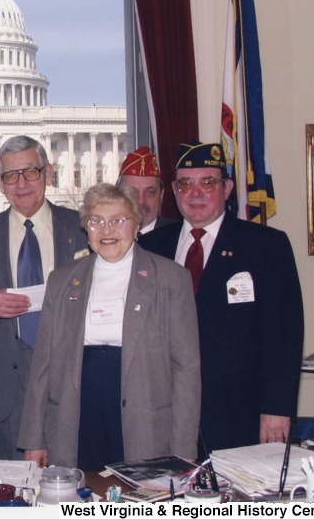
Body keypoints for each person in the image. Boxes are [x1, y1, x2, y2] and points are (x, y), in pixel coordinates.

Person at [18, 183, 200, 470]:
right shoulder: (62, 280)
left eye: (118, 220)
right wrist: (33, 438)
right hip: (75, 418)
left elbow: (187, 370)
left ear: (136, 225)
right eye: (96, 221)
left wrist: (184, 447)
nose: (107, 230)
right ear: (86, 229)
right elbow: (43, 364)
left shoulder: (171, 279)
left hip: (145, 421)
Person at [141, 141, 304, 454]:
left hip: (241, 413)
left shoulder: (265, 246)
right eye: (186, 184)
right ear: (173, 190)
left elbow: (284, 334)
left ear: (227, 188)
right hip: (165, 413)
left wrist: (277, 407)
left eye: (208, 182)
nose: (196, 193)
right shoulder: (150, 247)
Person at [0, 135, 90, 466]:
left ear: (48, 174)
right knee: (15, 492)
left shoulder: (81, 227)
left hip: (73, 379)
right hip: (9, 389)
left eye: (30, 172)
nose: (21, 184)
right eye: (10, 175)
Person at [116, 145, 174, 233]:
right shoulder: (99, 236)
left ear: (161, 196)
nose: (141, 201)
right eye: (132, 192)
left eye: (150, 192)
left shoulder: (179, 239)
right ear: (117, 194)